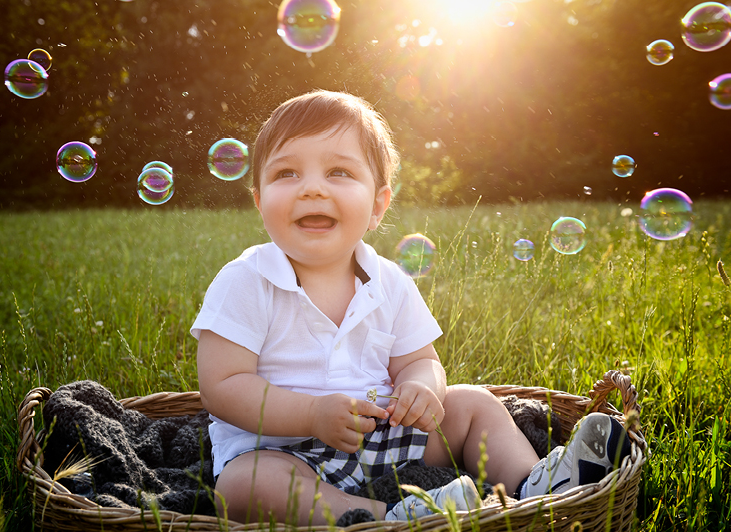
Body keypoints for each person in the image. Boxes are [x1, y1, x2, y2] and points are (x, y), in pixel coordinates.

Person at [192, 90, 629, 525]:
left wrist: (422, 387)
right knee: (243, 487)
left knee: (473, 404)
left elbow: (421, 361)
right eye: (286, 173)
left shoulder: (389, 282)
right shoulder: (246, 280)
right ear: (259, 199)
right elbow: (222, 385)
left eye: (339, 172)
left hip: (381, 434)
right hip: (281, 449)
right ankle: (396, 517)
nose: (311, 189)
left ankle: (531, 486)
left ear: (378, 205)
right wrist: (310, 414)